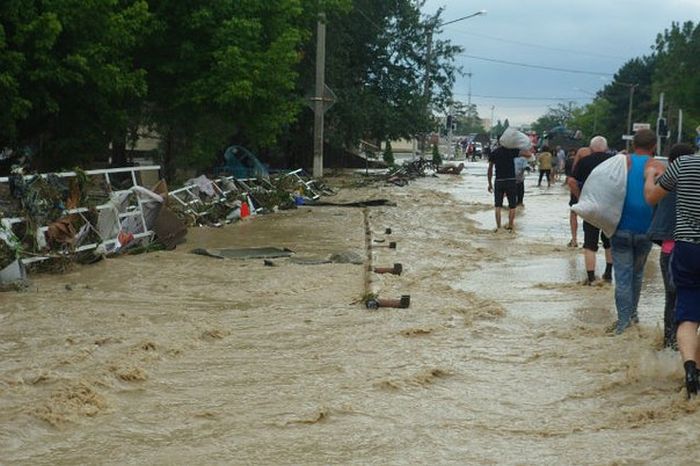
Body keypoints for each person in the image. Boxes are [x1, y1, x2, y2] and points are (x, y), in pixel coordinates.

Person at [645, 141, 700, 397]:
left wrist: (649, 177)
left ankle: (690, 368)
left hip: (686, 248)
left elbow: (652, 197)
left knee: (688, 314)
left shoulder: (683, 164)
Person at [609, 129, 663, 335]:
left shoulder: (621, 162)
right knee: (637, 275)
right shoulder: (658, 166)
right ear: (654, 146)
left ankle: (623, 325)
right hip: (646, 230)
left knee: (622, 277)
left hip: (620, 227)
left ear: (633, 145)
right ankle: (633, 316)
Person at [647, 143, 694, 350]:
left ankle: (670, 344)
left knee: (672, 298)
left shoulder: (668, 178)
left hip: (670, 247)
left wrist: (649, 176)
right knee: (691, 302)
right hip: (692, 247)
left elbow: (650, 197)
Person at [568, 137, 612, 285]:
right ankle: (608, 274)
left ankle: (591, 278)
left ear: (591, 148)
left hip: (591, 207)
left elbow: (571, 181)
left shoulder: (584, 161)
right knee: (609, 242)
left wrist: (581, 198)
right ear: (606, 148)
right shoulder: (613, 161)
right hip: (609, 207)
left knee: (590, 244)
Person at [487, 141, 532, 230]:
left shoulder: (494, 153)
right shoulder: (511, 151)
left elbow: (490, 169)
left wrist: (489, 183)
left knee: (498, 206)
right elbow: (528, 154)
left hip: (499, 180)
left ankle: (499, 227)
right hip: (511, 180)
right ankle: (510, 226)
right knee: (512, 206)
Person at [564, 148, 585, 247]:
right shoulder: (591, 163)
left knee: (573, 213)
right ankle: (588, 239)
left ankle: (574, 239)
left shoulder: (571, 163)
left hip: (575, 189)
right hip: (588, 190)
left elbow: (570, 177)